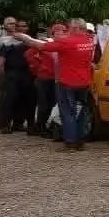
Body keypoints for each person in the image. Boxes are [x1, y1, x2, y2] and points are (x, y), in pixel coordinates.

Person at [15, 18, 94, 151]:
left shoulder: (66, 41)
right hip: (84, 83)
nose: (67, 31)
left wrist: (24, 37)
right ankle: (80, 141)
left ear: (75, 28)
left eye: (69, 28)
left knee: (68, 112)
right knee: (81, 112)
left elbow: (40, 46)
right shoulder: (89, 41)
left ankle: (70, 142)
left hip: (67, 82)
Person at [0, 20, 36, 134]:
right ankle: (5, 124)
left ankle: (23, 124)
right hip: (12, 73)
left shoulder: (32, 41)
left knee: (28, 100)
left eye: (24, 26)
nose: (22, 28)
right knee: (9, 99)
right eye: (19, 26)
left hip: (28, 74)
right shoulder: (8, 42)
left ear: (27, 28)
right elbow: (2, 56)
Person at [25, 23, 66, 137]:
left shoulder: (63, 45)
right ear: (53, 33)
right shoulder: (45, 43)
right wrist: (38, 67)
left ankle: (45, 126)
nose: (60, 33)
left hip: (56, 79)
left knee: (52, 104)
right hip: (43, 78)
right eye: (57, 32)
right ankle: (39, 127)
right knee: (43, 104)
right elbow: (28, 54)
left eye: (62, 31)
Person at [0, 16, 16, 129]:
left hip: (20, 72)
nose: (13, 25)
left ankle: (17, 121)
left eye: (14, 23)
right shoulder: (1, 40)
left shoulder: (21, 38)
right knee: (5, 97)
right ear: (5, 26)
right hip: (6, 72)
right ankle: (2, 120)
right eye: (10, 23)